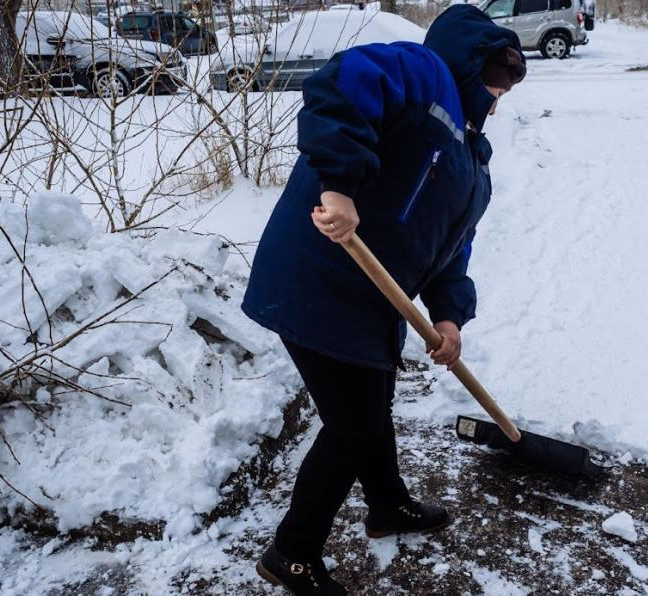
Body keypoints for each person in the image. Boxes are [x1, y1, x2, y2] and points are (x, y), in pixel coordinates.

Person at [240, 5, 526, 594]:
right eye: (495, 87)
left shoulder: (472, 160)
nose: (496, 103)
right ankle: (292, 553)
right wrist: (339, 185)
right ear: (472, 66)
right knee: (353, 422)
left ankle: (387, 504)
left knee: (370, 405)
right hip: (321, 276)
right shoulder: (420, 72)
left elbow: (453, 250)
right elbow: (342, 87)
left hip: (372, 300)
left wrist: (449, 316)